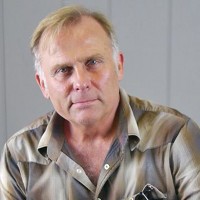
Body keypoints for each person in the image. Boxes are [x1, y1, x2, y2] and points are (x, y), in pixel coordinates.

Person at [1, 5, 200, 200]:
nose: (81, 82)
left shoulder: (174, 136)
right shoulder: (20, 155)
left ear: (119, 65)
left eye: (93, 62)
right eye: (63, 70)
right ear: (42, 84)